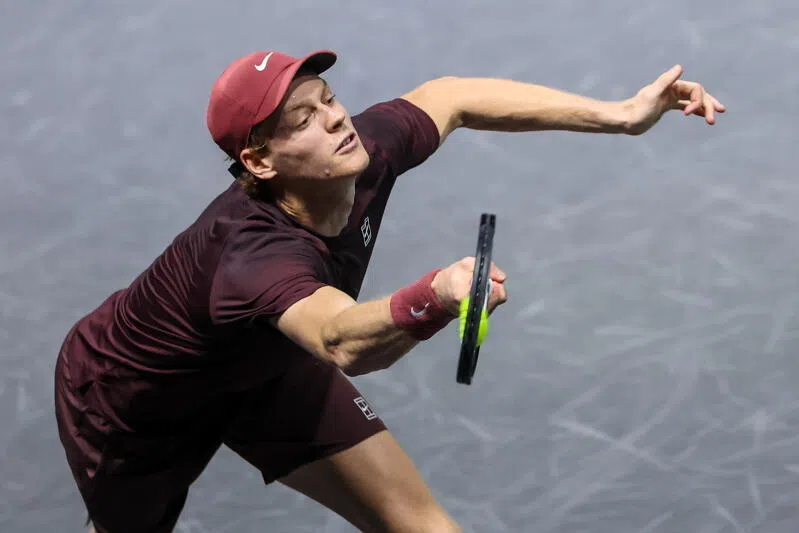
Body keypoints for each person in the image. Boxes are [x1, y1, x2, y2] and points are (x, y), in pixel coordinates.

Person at [54, 47, 725, 533]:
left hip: (267, 365)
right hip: (140, 398)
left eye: (328, 100)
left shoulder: (364, 151)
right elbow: (340, 339)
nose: (336, 121)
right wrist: (433, 294)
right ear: (259, 162)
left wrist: (621, 114)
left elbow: (454, 95)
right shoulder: (253, 254)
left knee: (420, 525)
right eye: (303, 121)